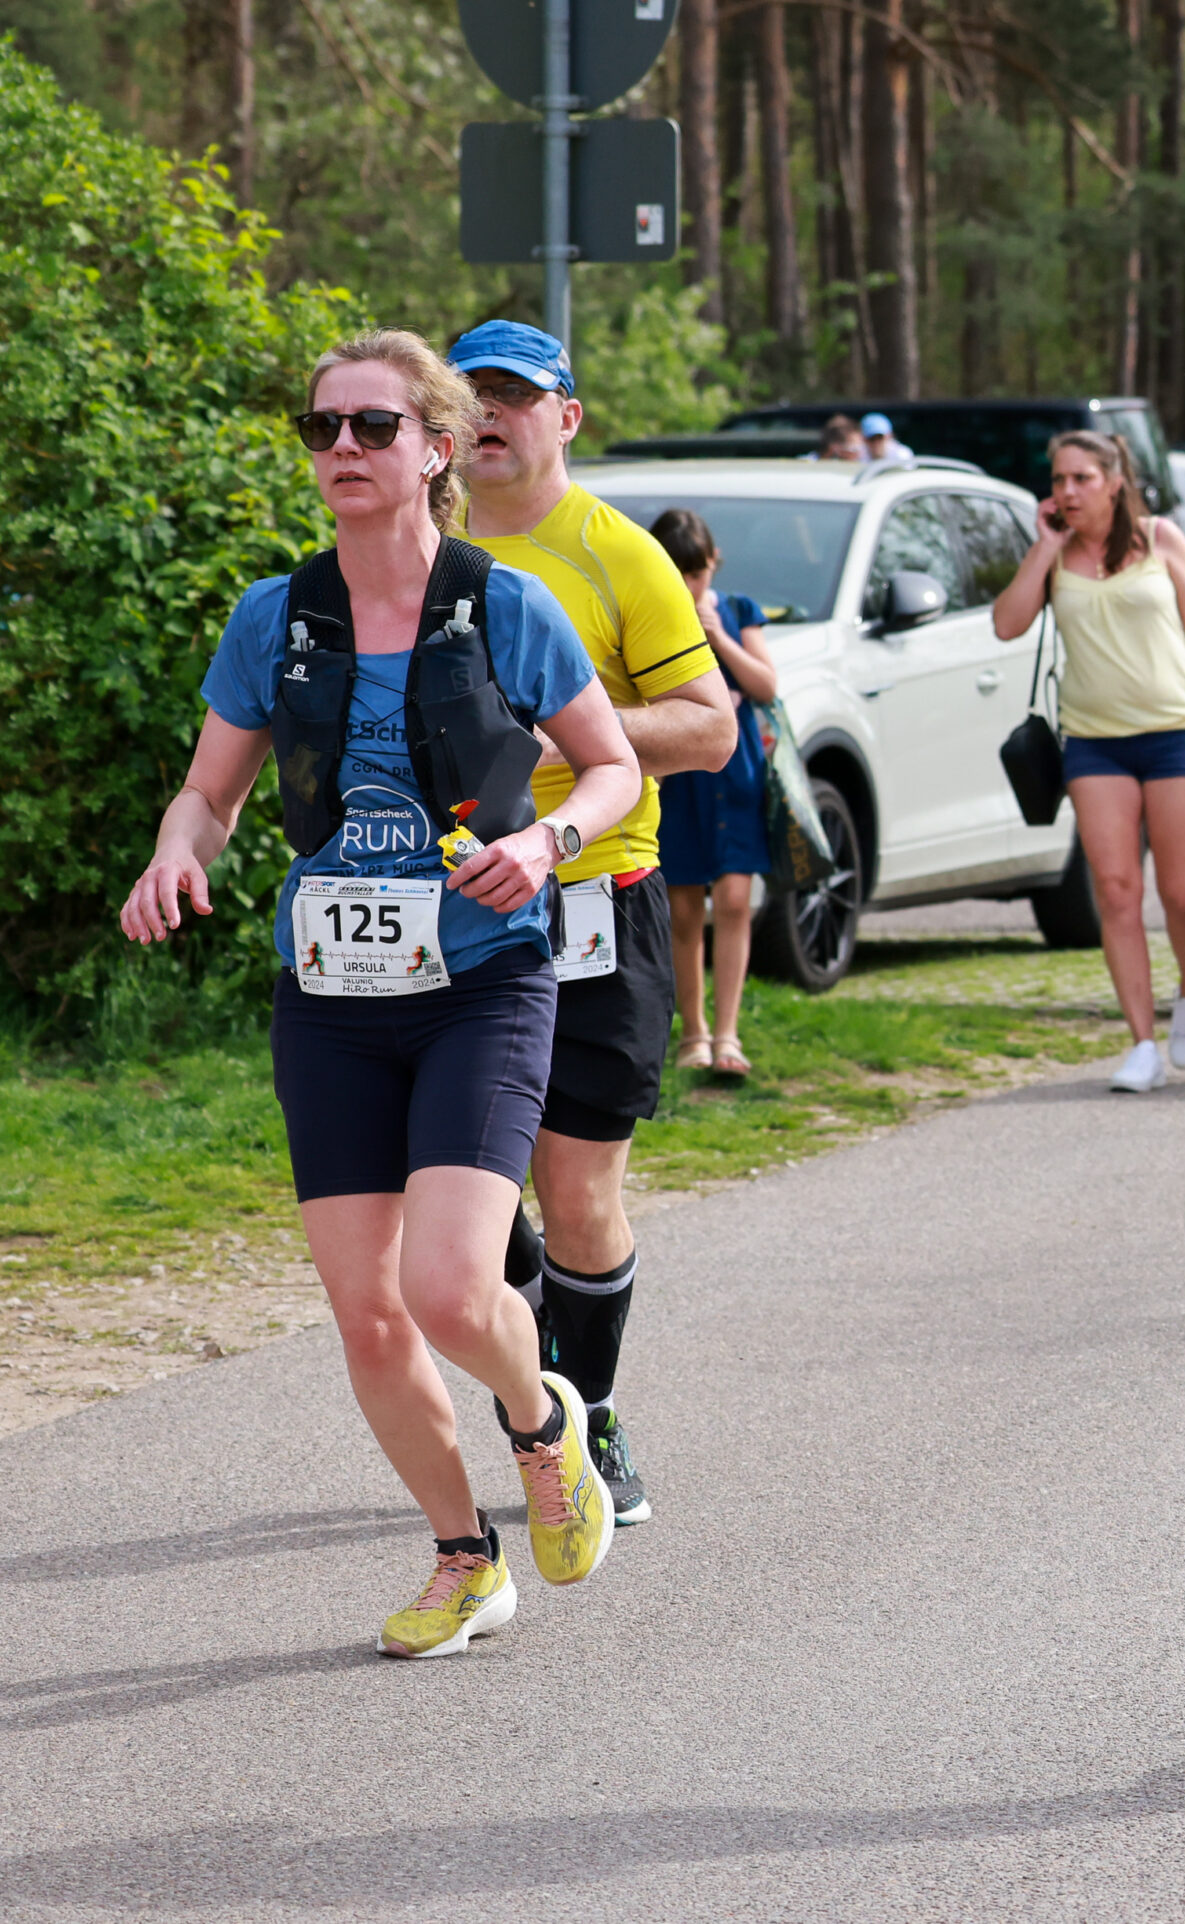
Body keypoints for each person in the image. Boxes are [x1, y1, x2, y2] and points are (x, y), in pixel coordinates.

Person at [120, 328, 643, 1656]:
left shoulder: (505, 606)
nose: (341, 448)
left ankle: (545, 1422)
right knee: (367, 1312)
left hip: (482, 983)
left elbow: (613, 769)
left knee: (454, 1288)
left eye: (371, 426)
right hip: (331, 994)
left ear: (438, 448)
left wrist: (547, 844)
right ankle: (465, 1559)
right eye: (322, 428)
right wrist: (177, 852)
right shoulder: (276, 617)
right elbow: (212, 793)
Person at [452, 319, 737, 1532]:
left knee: (575, 1194)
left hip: (592, 897)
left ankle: (588, 1413)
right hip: (443, 901)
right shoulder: (414, 548)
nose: (489, 415)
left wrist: (561, 739)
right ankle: (545, 1366)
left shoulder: (618, 553)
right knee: (455, 1193)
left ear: (565, 416)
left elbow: (710, 726)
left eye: (514, 396)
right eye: (468, 395)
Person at [990, 430, 1185, 1092]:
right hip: (1094, 741)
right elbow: (1006, 624)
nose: (1067, 491)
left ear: (1113, 481)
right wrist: (1043, 546)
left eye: (1081, 478)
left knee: (1180, 891)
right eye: (1058, 480)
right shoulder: (1055, 554)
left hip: (1178, 732)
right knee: (1115, 889)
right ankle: (1140, 1043)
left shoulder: (1162, 539)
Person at [649, 507, 781, 1078]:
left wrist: (718, 636)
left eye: (697, 574)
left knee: (733, 900)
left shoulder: (737, 610)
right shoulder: (650, 615)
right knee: (683, 909)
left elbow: (766, 685)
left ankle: (727, 1032)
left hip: (735, 774)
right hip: (680, 778)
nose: (688, 587)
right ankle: (693, 1033)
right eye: (675, 573)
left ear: (714, 564)